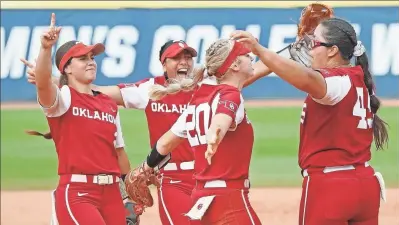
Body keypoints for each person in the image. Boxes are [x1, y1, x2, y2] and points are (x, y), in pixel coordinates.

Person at [26, 39, 271, 225]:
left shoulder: (206, 88)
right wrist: (47, 81)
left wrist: (282, 58)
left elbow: (241, 78)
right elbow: (93, 92)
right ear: (164, 63)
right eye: (176, 58)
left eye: (188, 57)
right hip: (174, 179)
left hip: (203, 178)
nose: (184, 62)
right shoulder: (150, 89)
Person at [230, 17, 389, 225]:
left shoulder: (334, 83)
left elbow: (306, 78)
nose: (310, 49)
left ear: (332, 51)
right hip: (365, 184)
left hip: (331, 188)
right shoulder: (356, 77)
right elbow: (243, 80)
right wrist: (284, 54)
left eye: (314, 43)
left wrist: (259, 49)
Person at [130, 38, 262, 225]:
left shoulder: (196, 103)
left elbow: (164, 143)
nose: (251, 58)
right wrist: (214, 137)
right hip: (230, 200)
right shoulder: (230, 95)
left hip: (202, 200)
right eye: (246, 55)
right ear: (234, 64)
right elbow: (221, 120)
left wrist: (144, 168)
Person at [30, 13, 130, 225]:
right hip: (78, 193)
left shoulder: (109, 104)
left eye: (92, 58)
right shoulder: (64, 98)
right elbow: (43, 83)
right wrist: (46, 48)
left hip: (112, 193)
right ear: (66, 68)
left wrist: (128, 195)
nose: (91, 62)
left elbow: (119, 151)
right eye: (83, 58)